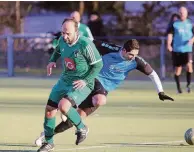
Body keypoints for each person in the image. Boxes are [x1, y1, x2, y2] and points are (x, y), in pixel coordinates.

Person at [35, 39, 174, 147]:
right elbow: (88, 42)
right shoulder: (110, 49)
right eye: (131, 54)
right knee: (99, 100)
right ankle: (66, 109)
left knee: (75, 119)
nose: (133, 57)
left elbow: (153, 74)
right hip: (91, 79)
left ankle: (46, 135)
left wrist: (160, 91)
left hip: (103, 89)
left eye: (135, 55)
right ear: (124, 51)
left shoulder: (136, 61)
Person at [37, 18, 103, 152]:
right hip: (64, 80)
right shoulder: (62, 40)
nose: (65, 36)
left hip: (82, 83)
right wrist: (52, 61)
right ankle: (49, 143)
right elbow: (57, 51)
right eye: (63, 33)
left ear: (76, 31)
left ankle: (82, 127)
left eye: (68, 33)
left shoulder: (85, 44)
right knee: (50, 110)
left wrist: (85, 80)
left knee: (63, 106)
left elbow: (98, 65)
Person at [167, 6, 194, 93]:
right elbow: (170, 35)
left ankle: (188, 86)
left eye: (183, 13)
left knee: (189, 66)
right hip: (177, 49)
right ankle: (179, 89)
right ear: (178, 13)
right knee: (178, 70)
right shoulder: (174, 24)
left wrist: (192, 40)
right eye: (180, 13)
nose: (182, 14)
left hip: (187, 49)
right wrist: (169, 44)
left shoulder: (190, 23)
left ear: (186, 13)